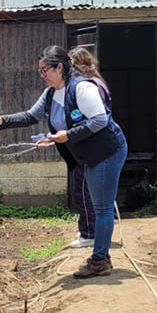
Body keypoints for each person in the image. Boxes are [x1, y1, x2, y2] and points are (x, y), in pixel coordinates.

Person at [0, 46, 128, 278]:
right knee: (99, 206)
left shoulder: (81, 88)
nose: (42, 75)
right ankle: (101, 257)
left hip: (107, 151)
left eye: (45, 70)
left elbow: (100, 120)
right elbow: (30, 116)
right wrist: (3, 120)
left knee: (102, 208)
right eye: (40, 71)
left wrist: (67, 135)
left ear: (59, 67)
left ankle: (100, 260)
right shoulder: (51, 93)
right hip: (88, 155)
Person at [62, 47, 109, 249]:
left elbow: (96, 119)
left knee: (82, 191)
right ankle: (90, 231)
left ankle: (89, 234)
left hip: (89, 148)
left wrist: (68, 134)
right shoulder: (96, 81)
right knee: (90, 192)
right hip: (94, 146)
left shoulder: (85, 86)